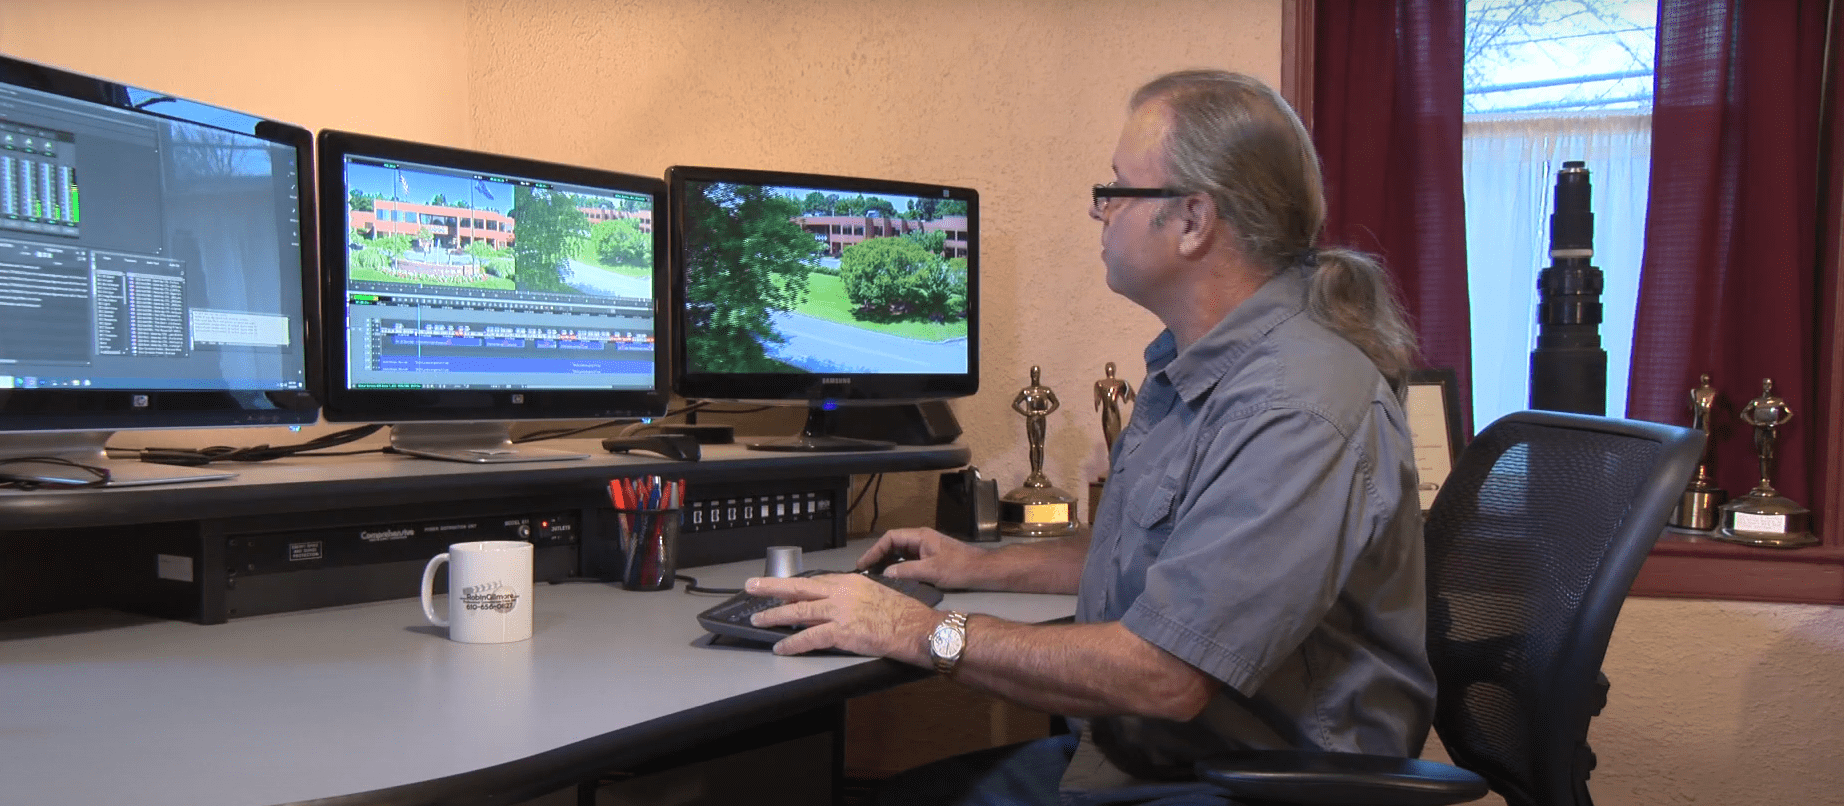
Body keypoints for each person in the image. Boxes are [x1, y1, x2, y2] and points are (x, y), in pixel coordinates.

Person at [742, 69, 1434, 806]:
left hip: (1254, 784)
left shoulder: (1296, 408)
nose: (1100, 213)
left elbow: (1162, 673)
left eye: (1117, 190)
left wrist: (915, 629)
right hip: (1155, 757)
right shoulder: (1195, 367)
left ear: (1193, 220)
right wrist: (978, 566)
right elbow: (1162, 565)